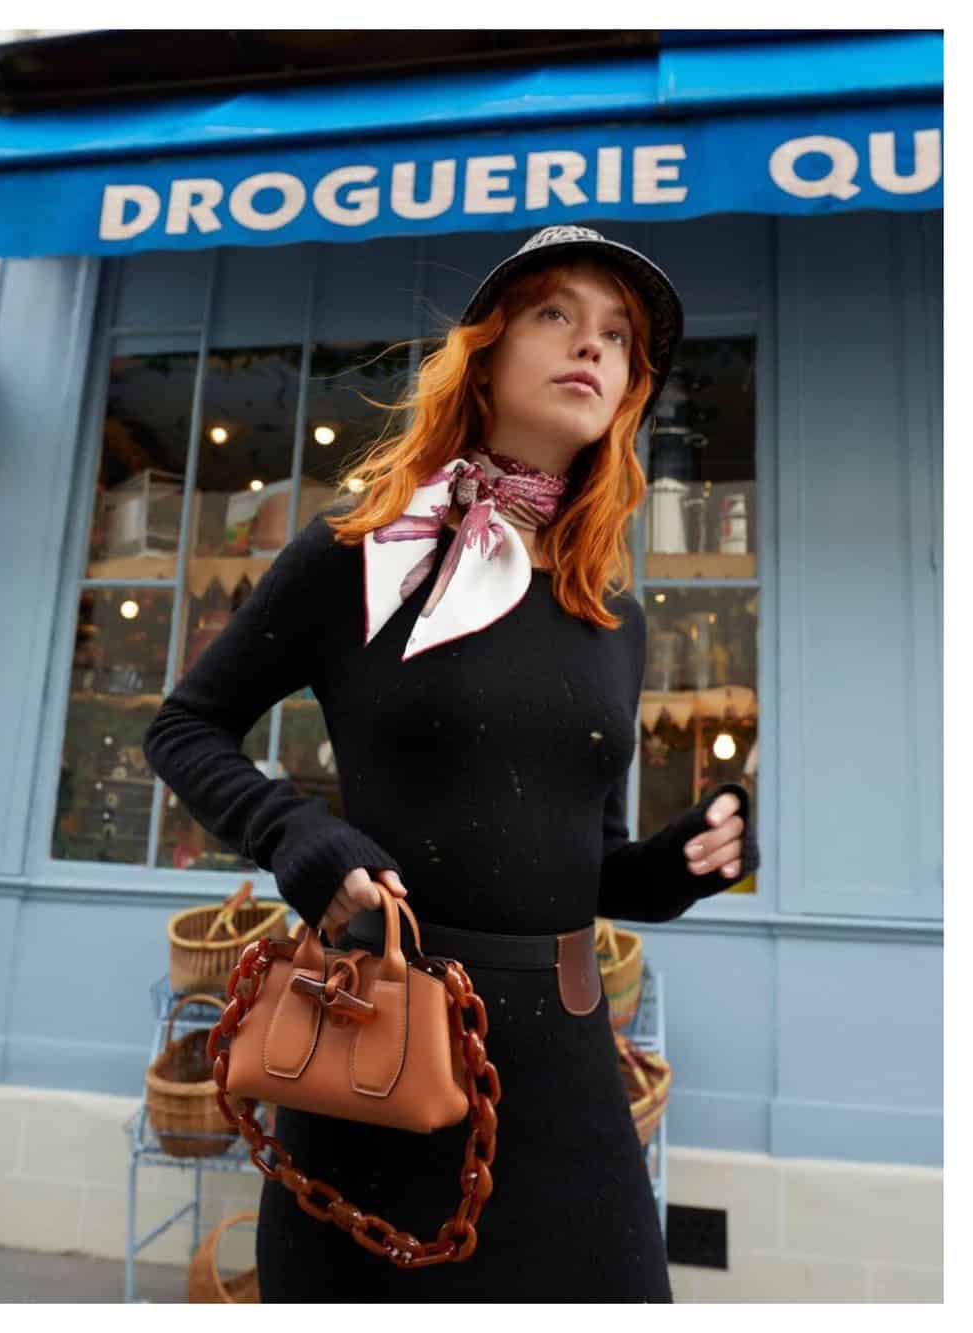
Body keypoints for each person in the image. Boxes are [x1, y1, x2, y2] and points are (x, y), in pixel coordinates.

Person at [142, 225, 760, 1302]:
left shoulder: (608, 609)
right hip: (380, 1046)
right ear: (485, 349)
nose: (590, 347)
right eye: (555, 314)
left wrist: (683, 863)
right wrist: (300, 835)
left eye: (616, 336)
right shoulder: (359, 551)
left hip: (566, 1078)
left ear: (628, 391)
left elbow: (588, 860)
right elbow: (183, 726)